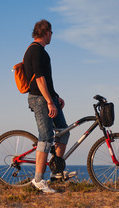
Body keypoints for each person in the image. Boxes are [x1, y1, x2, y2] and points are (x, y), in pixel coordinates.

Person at [24, 19, 74, 193]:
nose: (52, 35)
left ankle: (56, 172)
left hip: (47, 97)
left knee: (63, 132)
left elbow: (46, 80)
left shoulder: (41, 52)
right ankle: (38, 180)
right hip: (39, 99)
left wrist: (56, 97)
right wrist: (49, 101)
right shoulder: (36, 51)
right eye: (51, 32)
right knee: (45, 137)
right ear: (46, 32)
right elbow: (39, 79)